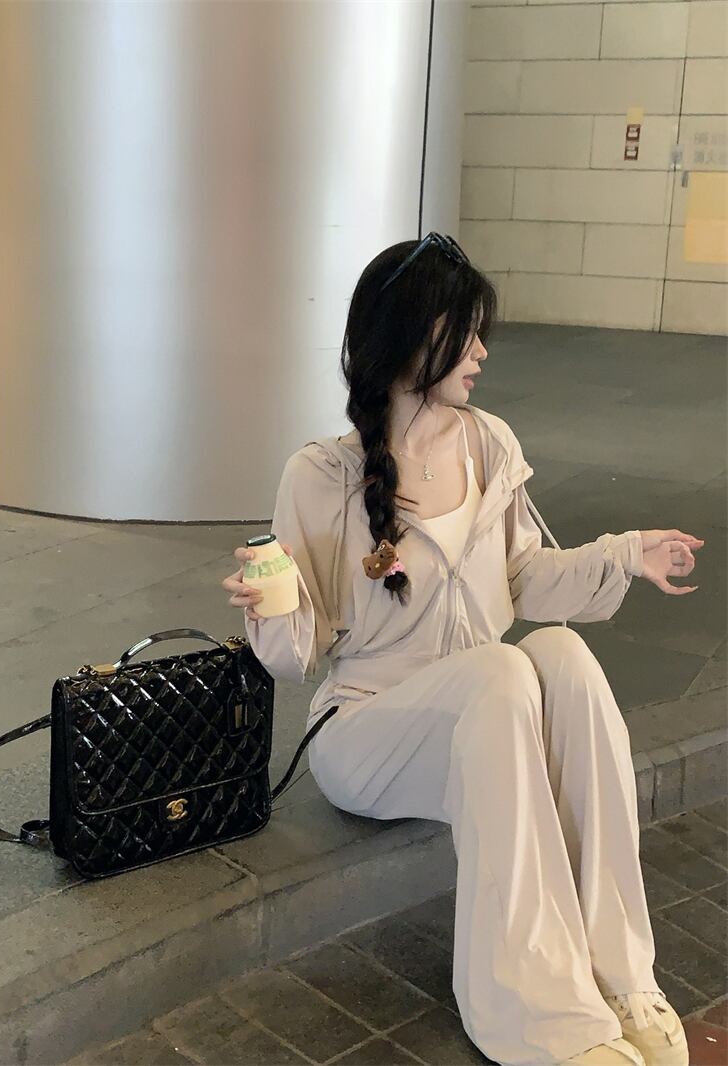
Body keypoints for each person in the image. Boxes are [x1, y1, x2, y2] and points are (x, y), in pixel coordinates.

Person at [221, 233, 702, 1066]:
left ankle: (621, 975)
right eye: (465, 331)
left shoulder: (490, 445)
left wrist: (626, 553)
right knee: (505, 669)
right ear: (410, 337)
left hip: (489, 711)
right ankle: (539, 1016)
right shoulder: (321, 476)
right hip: (368, 728)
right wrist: (273, 606)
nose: (481, 351)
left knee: (563, 659)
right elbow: (300, 656)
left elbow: (524, 579)